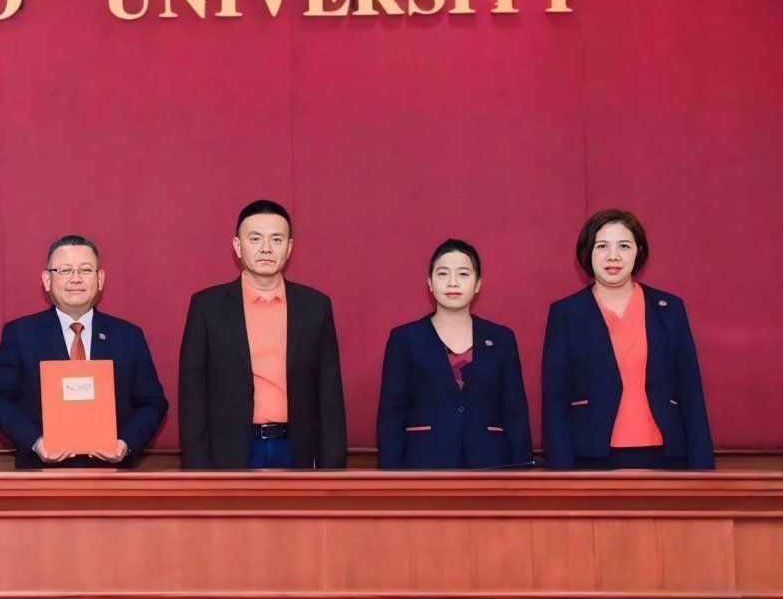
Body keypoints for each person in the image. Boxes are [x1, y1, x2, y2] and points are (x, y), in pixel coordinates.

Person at [178, 199, 346, 469]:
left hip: (296, 448)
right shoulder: (206, 307)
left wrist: (334, 468)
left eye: (276, 239)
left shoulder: (315, 306)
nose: (266, 248)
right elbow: (192, 395)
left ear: (289, 247)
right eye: (255, 239)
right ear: (238, 246)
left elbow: (330, 394)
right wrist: (197, 469)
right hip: (230, 451)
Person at [542, 209, 712, 470]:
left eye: (624, 245)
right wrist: (560, 473)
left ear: (638, 251)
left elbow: (691, 390)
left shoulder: (669, 309)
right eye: (602, 246)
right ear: (588, 252)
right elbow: (555, 399)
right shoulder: (565, 313)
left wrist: (703, 470)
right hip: (589, 455)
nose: (613, 255)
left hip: (665, 454)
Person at [0, 234, 168, 469]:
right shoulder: (20, 334)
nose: (76, 278)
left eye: (86, 270)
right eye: (65, 270)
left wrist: (125, 443)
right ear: (47, 280)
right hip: (41, 476)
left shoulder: (129, 337)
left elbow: (152, 402)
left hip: (111, 476)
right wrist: (35, 442)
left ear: (100, 279)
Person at [376, 239, 532, 469]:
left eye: (463, 274)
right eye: (442, 274)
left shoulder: (501, 339)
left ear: (477, 284)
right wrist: (390, 477)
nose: (452, 282)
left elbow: (515, 412)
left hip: (490, 465)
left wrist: (523, 474)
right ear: (430, 283)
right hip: (423, 466)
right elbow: (391, 415)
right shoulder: (405, 339)